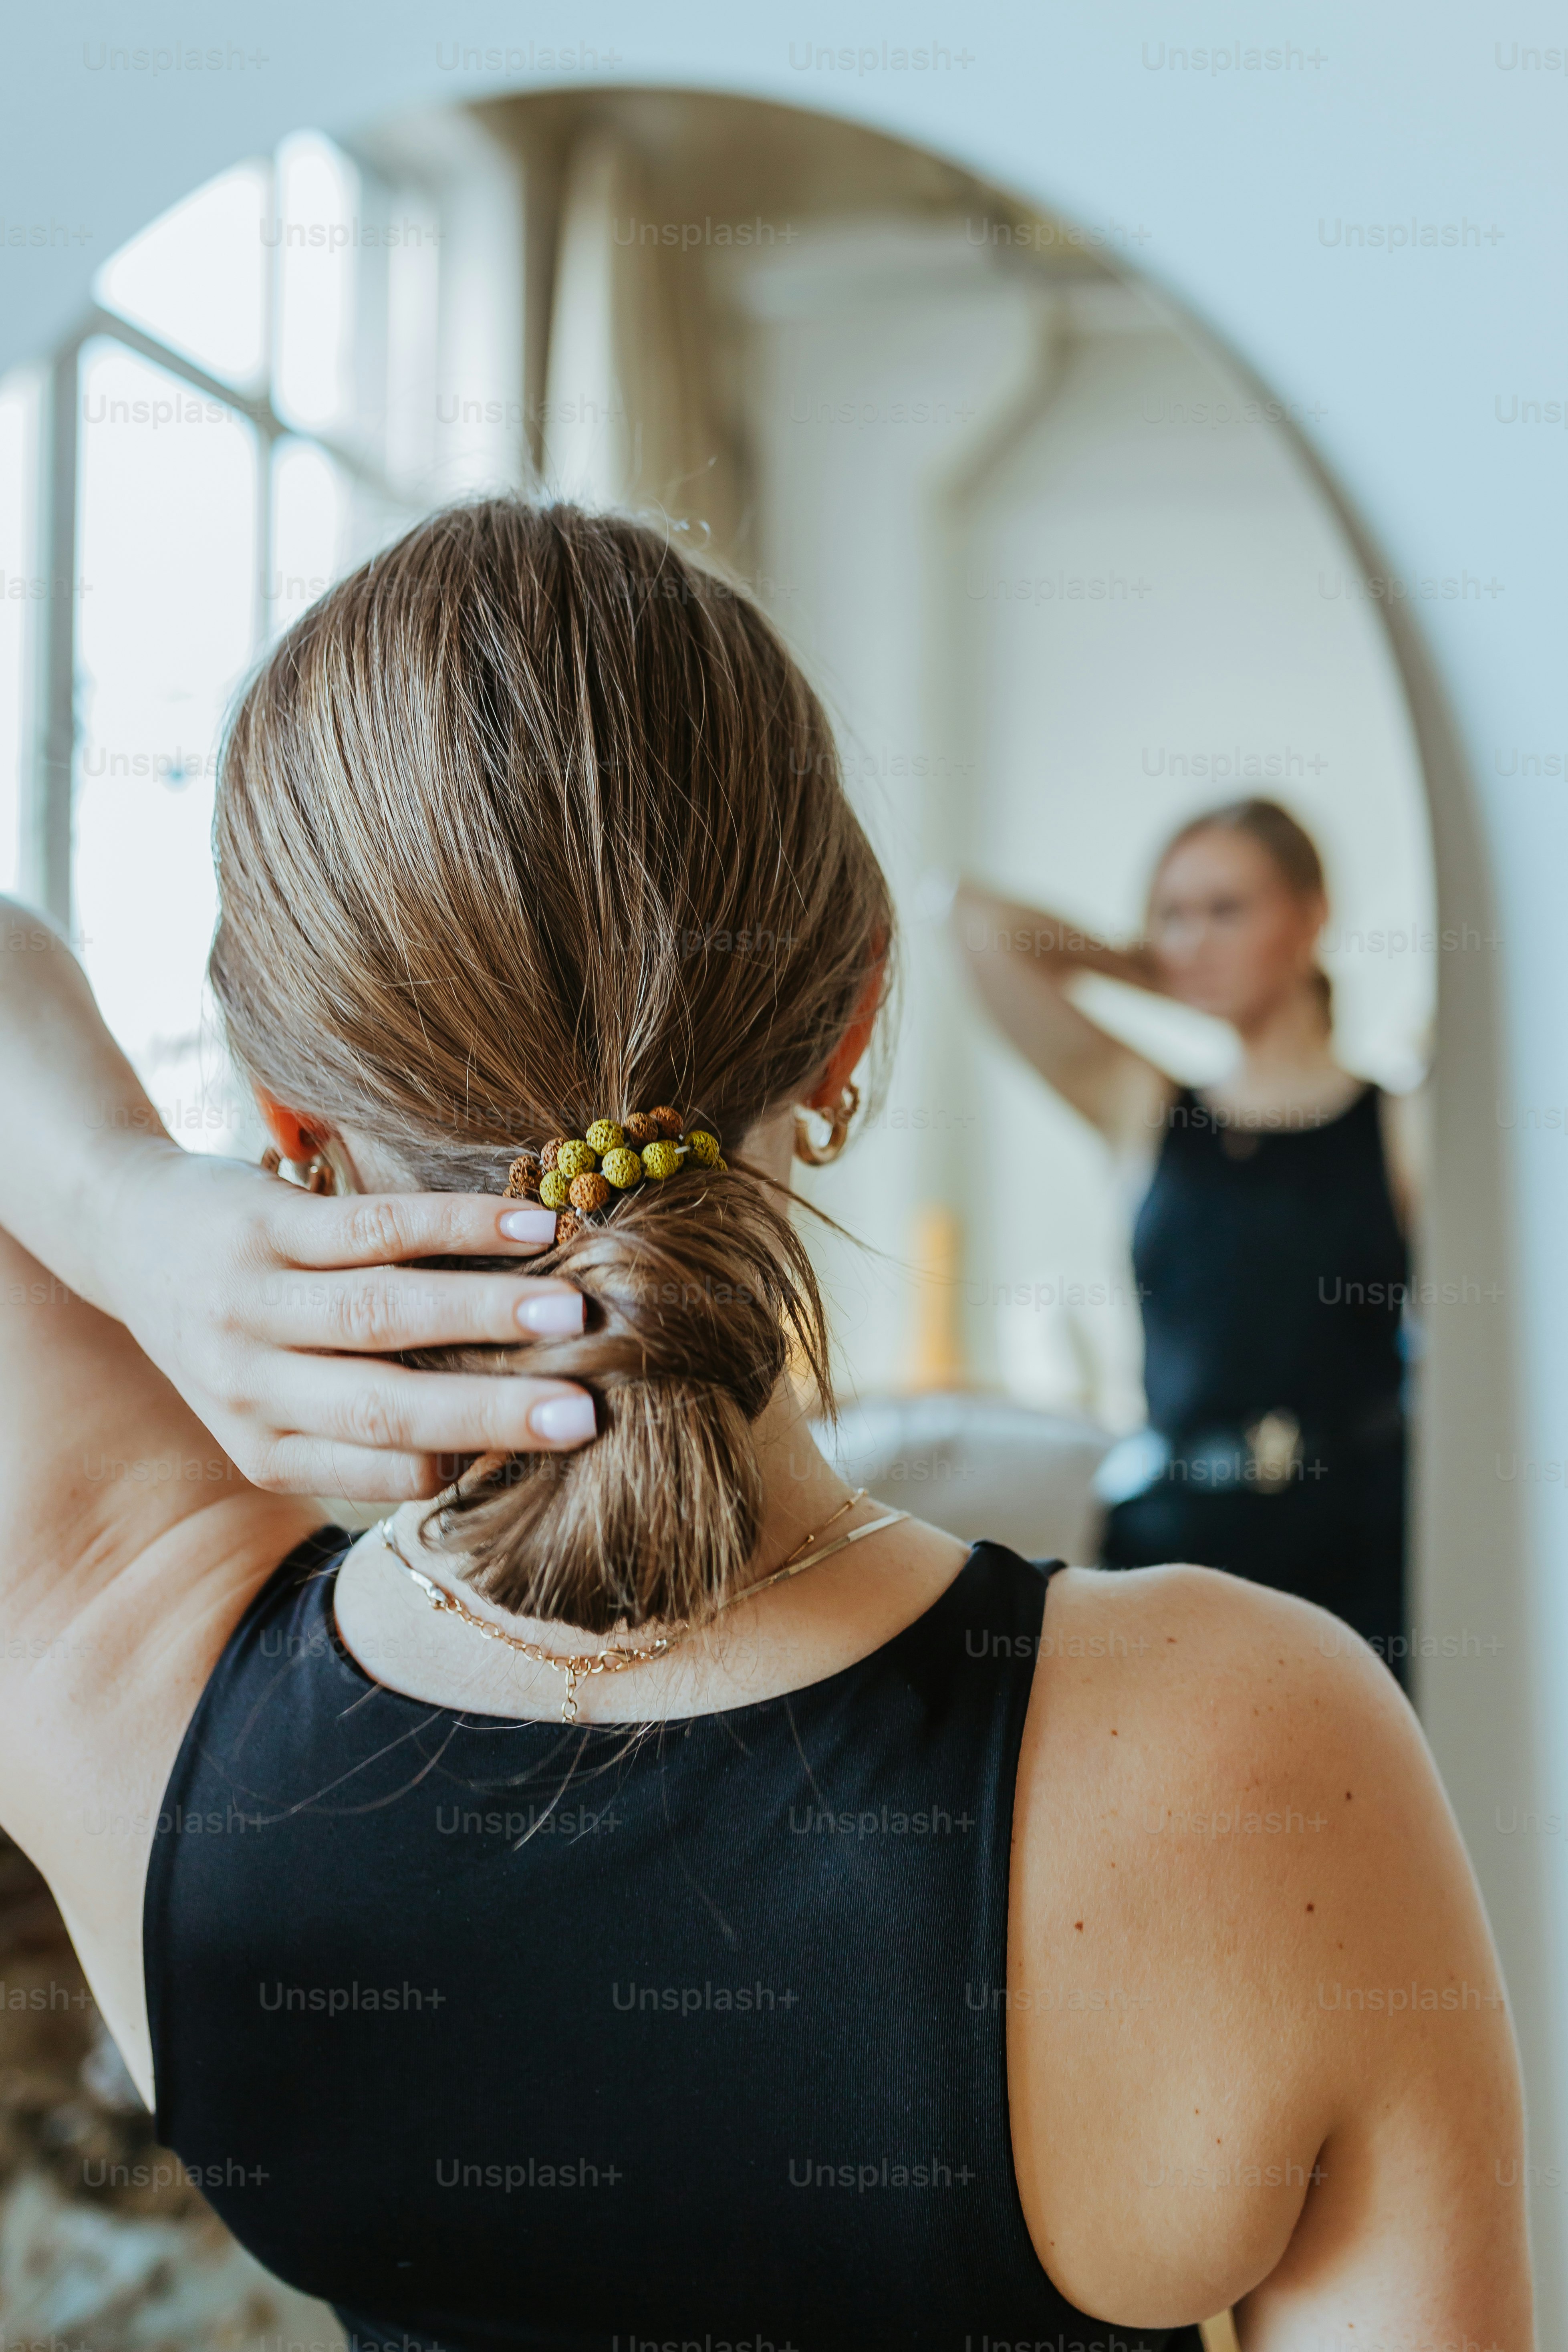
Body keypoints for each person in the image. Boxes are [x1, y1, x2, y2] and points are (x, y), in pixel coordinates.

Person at [0, 502, 1524, 2351]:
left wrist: (109, 1195)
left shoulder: (129, 1668)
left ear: (285, 1117)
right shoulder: (1264, 1752)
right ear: (850, 1018)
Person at [957, 804, 1423, 1675]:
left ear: (1311, 914)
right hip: (1174, 1543)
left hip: (1362, 1542)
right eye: (1171, 914)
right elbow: (975, 923)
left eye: (1225, 909)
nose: (1192, 937)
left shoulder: (1398, 1122)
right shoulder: (1145, 1103)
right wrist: (1148, 968)